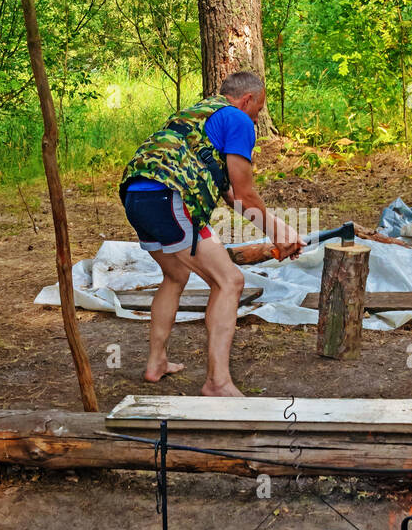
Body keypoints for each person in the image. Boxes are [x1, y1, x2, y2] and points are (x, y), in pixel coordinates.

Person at [119, 72, 303, 396]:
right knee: (229, 280)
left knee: (175, 275)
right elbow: (245, 193)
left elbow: (232, 197)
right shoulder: (237, 119)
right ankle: (217, 382)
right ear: (247, 101)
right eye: (258, 112)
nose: (256, 121)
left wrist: (278, 230)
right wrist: (279, 232)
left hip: (136, 194)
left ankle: (156, 363)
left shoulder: (196, 117)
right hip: (168, 198)